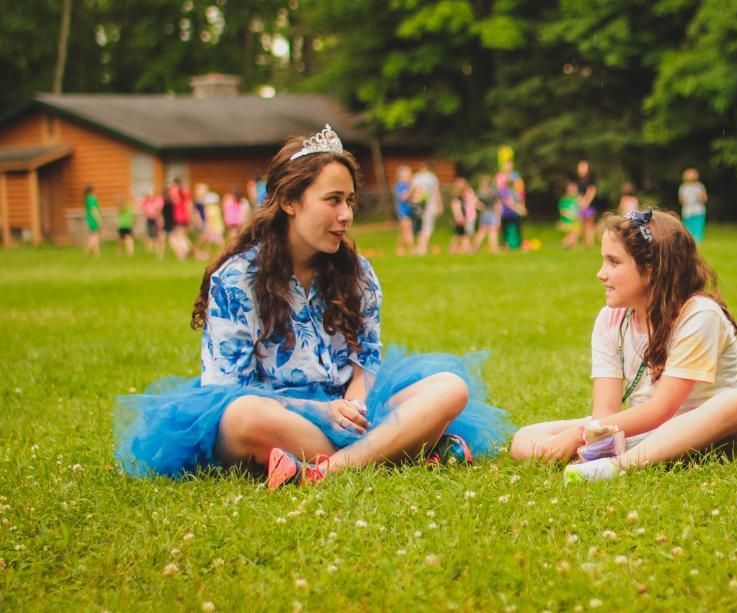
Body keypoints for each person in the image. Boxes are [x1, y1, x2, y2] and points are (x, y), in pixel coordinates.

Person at [116, 126, 514, 487]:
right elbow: (226, 390)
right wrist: (320, 412)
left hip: (355, 414)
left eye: (350, 201)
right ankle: (401, 448)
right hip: (280, 417)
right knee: (242, 417)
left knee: (449, 387)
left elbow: (366, 361)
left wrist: (355, 405)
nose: (346, 215)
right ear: (290, 201)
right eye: (333, 200)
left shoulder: (357, 274)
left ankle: (325, 470)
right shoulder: (238, 280)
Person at [510, 209, 737, 484]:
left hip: (708, 432)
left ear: (651, 269)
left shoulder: (699, 315)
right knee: (524, 439)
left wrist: (578, 436)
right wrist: (591, 434)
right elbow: (606, 413)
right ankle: (608, 459)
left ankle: (616, 466)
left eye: (614, 262)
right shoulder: (611, 318)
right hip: (644, 432)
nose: (601, 274)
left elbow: (662, 409)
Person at [412, 162, 442, 255]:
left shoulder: (416, 177)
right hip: (430, 205)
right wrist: (440, 205)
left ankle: (421, 247)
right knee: (428, 227)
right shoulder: (432, 178)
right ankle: (423, 247)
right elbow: (436, 192)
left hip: (418, 205)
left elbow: (413, 190)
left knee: (420, 226)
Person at [496, 160, 526, 250]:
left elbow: (521, 194)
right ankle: (503, 245)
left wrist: (522, 206)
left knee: (518, 227)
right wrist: (519, 208)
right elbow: (502, 198)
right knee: (503, 229)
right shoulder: (500, 178)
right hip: (505, 210)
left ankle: (519, 245)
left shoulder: (516, 177)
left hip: (515, 211)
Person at [678, 168, 708, 243]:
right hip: (687, 211)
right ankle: (689, 240)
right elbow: (681, 200)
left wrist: (701, 197)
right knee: (688, 226)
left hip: (698, 210)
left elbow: (705, 198)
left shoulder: (699, 186)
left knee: (698, 226)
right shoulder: (683, 187)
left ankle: (698, 240)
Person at [472, 175, 500, 254]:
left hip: (483, 214)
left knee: (482, 232)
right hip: (492, 213)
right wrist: (498, 216)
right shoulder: (493, 192)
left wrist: (481, 207)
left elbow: (476, 203)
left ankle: (474, 248)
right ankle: (494, 249)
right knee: (492, 232)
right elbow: (497, 204)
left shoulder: (480, 193)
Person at [392, 165, 415, 256]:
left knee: (402, 231)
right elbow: (403, 197)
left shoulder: (406, 185)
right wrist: (411, 190)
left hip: (408, 210)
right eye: (409, 173)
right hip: (403, 211)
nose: (411, 175)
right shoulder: (400, 185)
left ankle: (400, 249)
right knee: (408, 230)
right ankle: (412, 249)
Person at [576, 160, 598, 248]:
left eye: (583, 167)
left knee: (589, 224)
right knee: (582, 224)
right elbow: (580, 194)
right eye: (580, 167)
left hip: (589, 205)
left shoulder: (590, 179)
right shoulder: (580, 180)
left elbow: (591, 192)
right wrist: (580, 202)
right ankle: (585, 242)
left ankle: (590, 243)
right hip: (582, 204)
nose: (581, 169)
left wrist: (586, 203)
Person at [139, 189, 165, 260]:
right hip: (149, 219)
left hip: (156, 220)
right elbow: (140, 205)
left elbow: (158, 210)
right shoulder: (146, 201)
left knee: (157, 236)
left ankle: (158, 252)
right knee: (151, 235)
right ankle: (153, 249)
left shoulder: (158, 200)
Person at [558, 180, 581, 249]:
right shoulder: (564, 200)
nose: (573, 191)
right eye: (572, 190)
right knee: (574, 232)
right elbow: (563, 211)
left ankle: (569, 244)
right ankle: (566, 244)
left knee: (576, 232)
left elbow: (579, 210)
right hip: (567, 221)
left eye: (575, 190)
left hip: (575, 221)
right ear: (567, 190)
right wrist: (571, 216)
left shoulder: (576, 200)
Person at [83, 185, 101, 257]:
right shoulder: (92, 199)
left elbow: (86, 211)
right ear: (92, 191)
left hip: (89, 219)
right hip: (94, 219)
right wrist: (99, 219)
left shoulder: (87, 199)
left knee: (92, 236)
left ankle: (97, 254)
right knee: (95, 237)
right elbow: (94, 210)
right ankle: (87, 253)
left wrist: (86, 221)